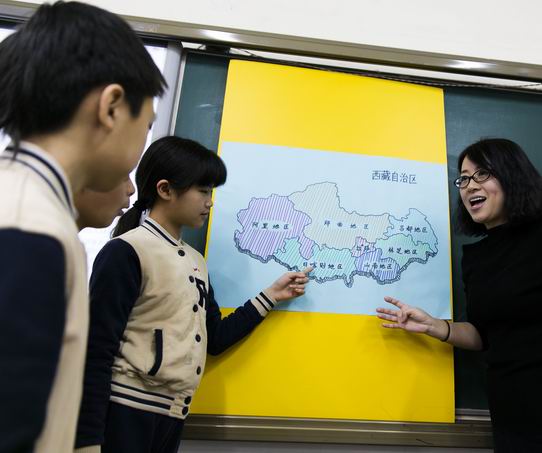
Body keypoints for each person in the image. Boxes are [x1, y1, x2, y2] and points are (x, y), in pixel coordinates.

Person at [376, 138, 542, 453]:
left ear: (512, 177)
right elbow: (484, 336)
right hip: (507, 415)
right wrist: (436, 326)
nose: (469, 186)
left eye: (482, 174)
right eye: (463, 179)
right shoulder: (477, 257)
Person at [75, 136, 311, 453]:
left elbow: (215, 338)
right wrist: (87, 439)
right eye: (203, 191)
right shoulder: (127, 251)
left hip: (172, 416)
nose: (209, 202)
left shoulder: (195, 260)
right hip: (124, 412)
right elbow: (97, 349)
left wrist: (271, 295)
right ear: (165, 190)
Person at [0, 2, 165, 452]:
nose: (142, 145)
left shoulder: (30, 206)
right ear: (111, 106)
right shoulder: (27, 227)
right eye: (146, 125)